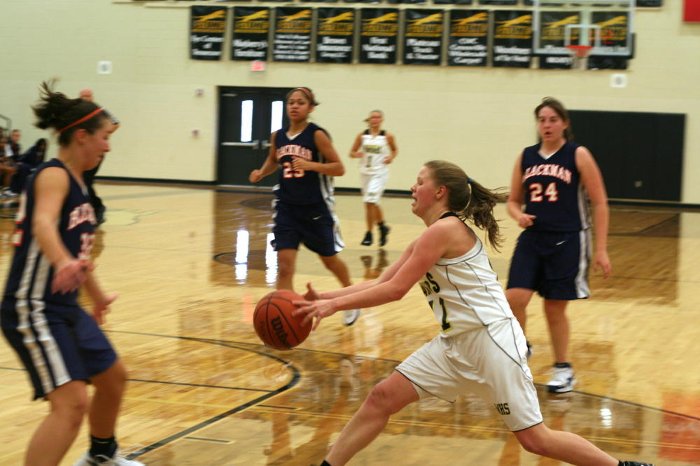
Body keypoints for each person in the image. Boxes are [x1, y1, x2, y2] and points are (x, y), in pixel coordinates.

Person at [295, 160, 650, 466]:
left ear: (440, 192)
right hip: (455, 345)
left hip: (492, 341)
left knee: (535, 439)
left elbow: (395, 291)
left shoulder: (445, 230)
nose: (413, 187)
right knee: (381, 398)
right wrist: (321, 298)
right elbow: (381, 281)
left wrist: (332, 306)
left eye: (420, 181)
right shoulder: (429, 236)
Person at [0, 81, 143, 466]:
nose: (107, 146)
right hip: (32, 307)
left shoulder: (80, 182)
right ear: (81, 136)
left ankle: (101, 456)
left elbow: (80, 254)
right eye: (104, 138)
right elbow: (43, 224)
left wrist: (96, 295)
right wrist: (62, 262)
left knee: (113, 377)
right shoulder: (53, 175)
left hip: (64, 307)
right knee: (72, 404)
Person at [505, 97, 612, 394]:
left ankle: (563, 369)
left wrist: (601, 249)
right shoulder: (526, 156)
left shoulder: (578, 154)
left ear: (564, 123)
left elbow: (600, 203)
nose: (547, 125)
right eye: (542, 120)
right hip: (532, 238)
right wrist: (518, 215)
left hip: (567, 239)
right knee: (513, 298)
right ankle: (521, 347)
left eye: (553, 119)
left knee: (553, 307)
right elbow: (513, 201)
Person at [248, 86, 361, 326]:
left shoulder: (317, 135)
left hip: (315, 209)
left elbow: (339, 168)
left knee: (330, 260)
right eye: (291, 102)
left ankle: (350, 297)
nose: (295, 106)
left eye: (300, 102)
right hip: (287, 208)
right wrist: (261, 172)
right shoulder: (278, 136)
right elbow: (273, 160)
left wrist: (312, 166)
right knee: (285, 267)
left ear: (310, 108)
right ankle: (285, 318)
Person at [349, 110, 398, 247]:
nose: (375, 119)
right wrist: (356, 154)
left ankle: (369, 233)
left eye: (377, 117)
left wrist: (391, 157)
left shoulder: (387, 136)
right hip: (365, 172)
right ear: (369, 120)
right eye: (372, 117)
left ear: (381, 120)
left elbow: (394, 150)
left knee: (370, 201)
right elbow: (351, 152)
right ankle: (382, 227)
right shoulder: (362, 136)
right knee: (370, 203)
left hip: (379, 173)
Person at [79, 88, 120, 225]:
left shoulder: (99, 111)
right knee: (80, 181)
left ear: (92, 97)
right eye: (83, 96)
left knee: (86, 180)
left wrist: (103, 134)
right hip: (82, 151)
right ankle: (85, 210)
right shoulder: (77, 111)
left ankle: (98, 208)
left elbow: (116, 123)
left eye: (88, 96)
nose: (85, 98)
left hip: (96, 152)